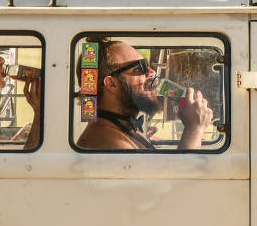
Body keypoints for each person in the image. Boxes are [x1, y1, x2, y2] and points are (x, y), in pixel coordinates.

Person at [76, 37, 213, 150]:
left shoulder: (120, 129)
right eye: (140, 68)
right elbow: (179, 180)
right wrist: (195, 128)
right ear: (112, 84)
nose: (152, 72)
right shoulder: (109, 142)